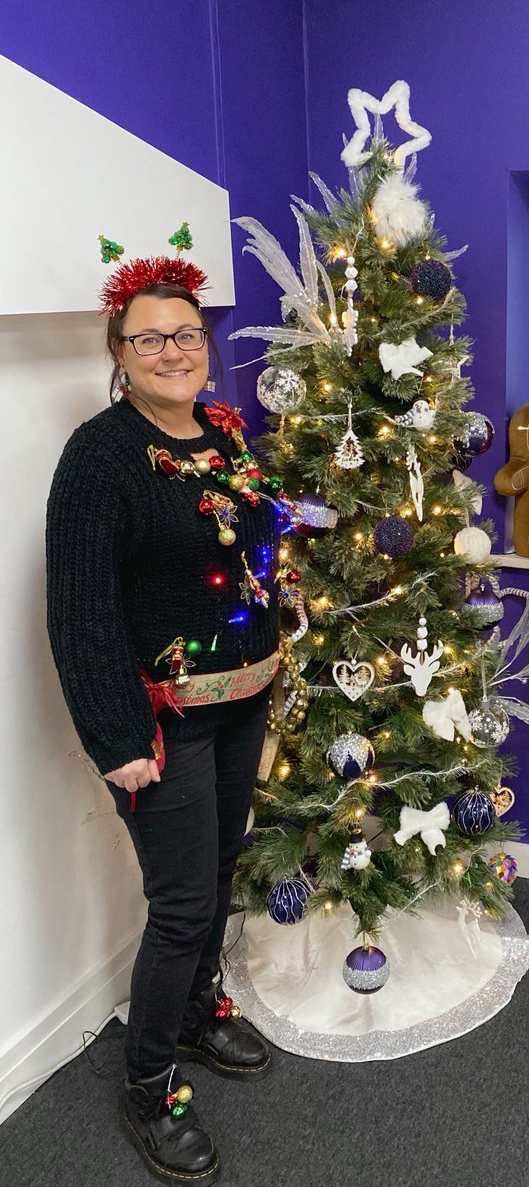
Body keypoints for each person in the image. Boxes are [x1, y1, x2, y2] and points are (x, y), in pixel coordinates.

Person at [46, 251, 282, 1184]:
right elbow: (80, 609)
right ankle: (148, 1087)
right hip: (163, 725)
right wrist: (116, 739)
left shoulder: (223, 434)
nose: (173, 351)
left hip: (242, 702)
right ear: (119, 351)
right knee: (181, 907)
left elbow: (249, 549)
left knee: (220, 870)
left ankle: (194, 1012)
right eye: (149, 340)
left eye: (187, 334)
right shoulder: (100, 457)